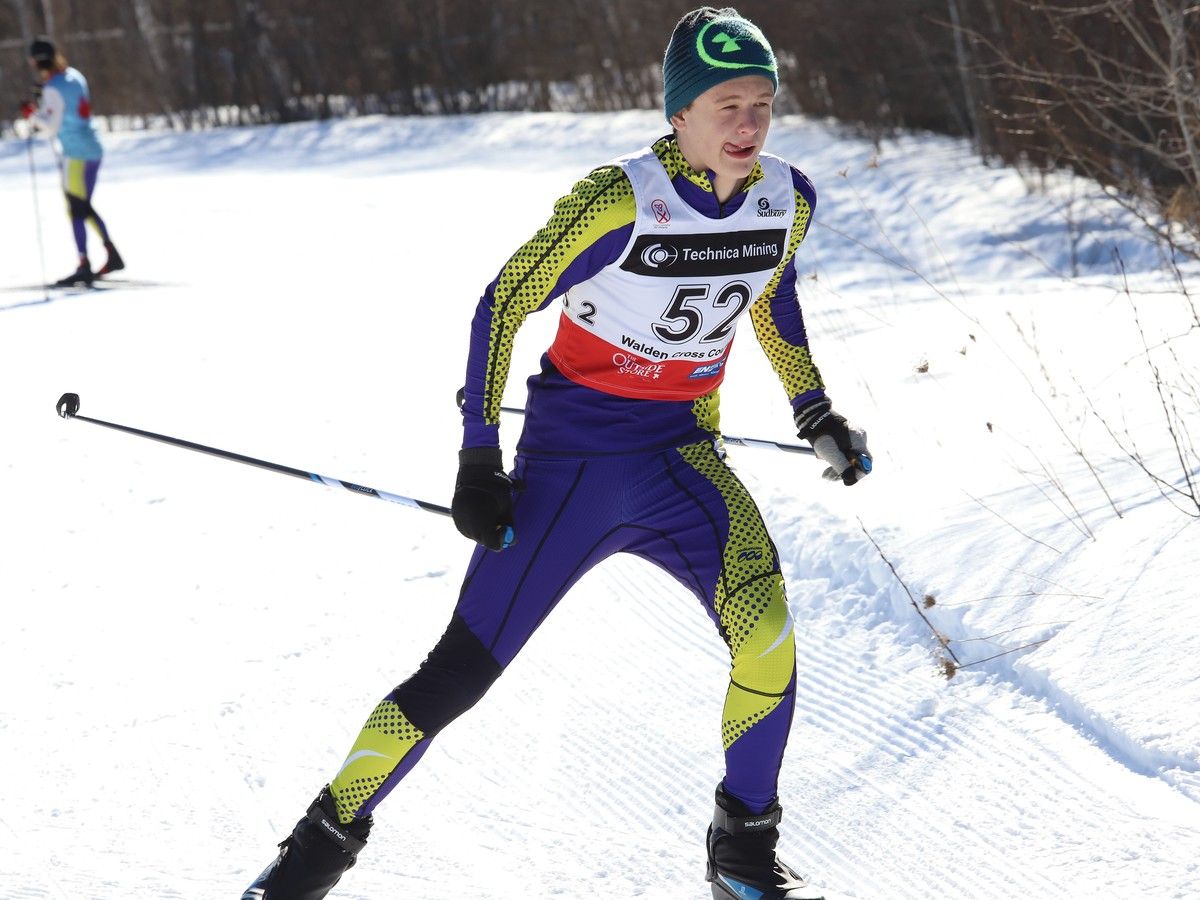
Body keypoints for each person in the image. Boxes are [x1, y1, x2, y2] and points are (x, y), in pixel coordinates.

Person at [243, 7, 870, 900]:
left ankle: (740, 851)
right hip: (571, 468)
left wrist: (816, 413)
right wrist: (476, 460)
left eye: (762, 105)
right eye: (726, 104)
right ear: (679, 114)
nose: (747, 126)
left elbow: (770, 299)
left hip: (683, 460)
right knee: (459, 675)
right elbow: (501, 306)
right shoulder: (621, 200)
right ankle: (308, 860)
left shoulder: (786, 200)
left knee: (766, 635)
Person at [20, 36, 124, 288]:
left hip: (75, 154)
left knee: (75, 208)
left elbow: (49, 127)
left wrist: (33, 114)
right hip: (93, 149)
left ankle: (83, 264)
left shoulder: (53, 88)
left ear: (38, 60)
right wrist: (43, 102)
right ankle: (111, 254)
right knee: (83, 206)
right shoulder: (75, 76)